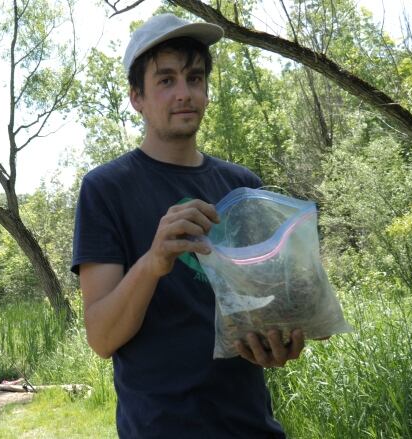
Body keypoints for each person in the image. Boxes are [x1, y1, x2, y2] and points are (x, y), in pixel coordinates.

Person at [71, 14, 309, 438]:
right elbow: (102, 337)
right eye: (166, 80)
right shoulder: (105, 189)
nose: (184, 93)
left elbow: (261, 309)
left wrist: (278, 341)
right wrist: (154, 260)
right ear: (136, 98)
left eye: (195, 78)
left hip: (252, 426)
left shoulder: (242, 186)